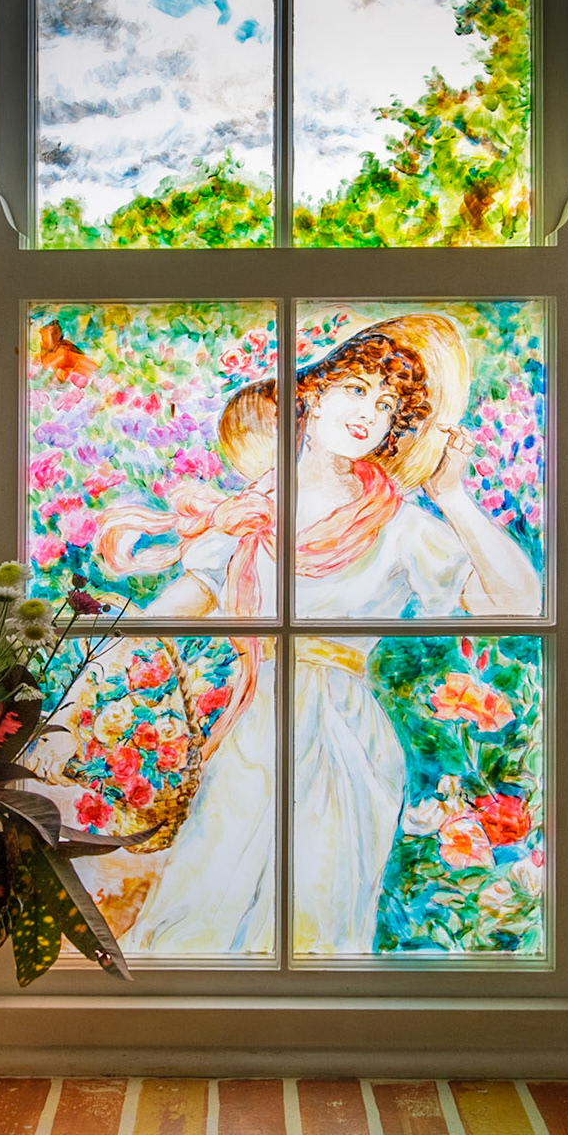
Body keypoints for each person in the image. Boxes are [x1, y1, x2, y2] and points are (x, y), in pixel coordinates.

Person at [92, 314, 540, 955]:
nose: (369, 413)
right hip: (257, 728)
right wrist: (95, 656)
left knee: (317, 915)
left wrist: (455, 497)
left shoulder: (400, 526)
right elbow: (175, 610)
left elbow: (522, 605)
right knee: (208, 899)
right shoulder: (249, 512)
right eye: (355, 389)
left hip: (344, 736)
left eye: (387, 405)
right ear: (313, 393)